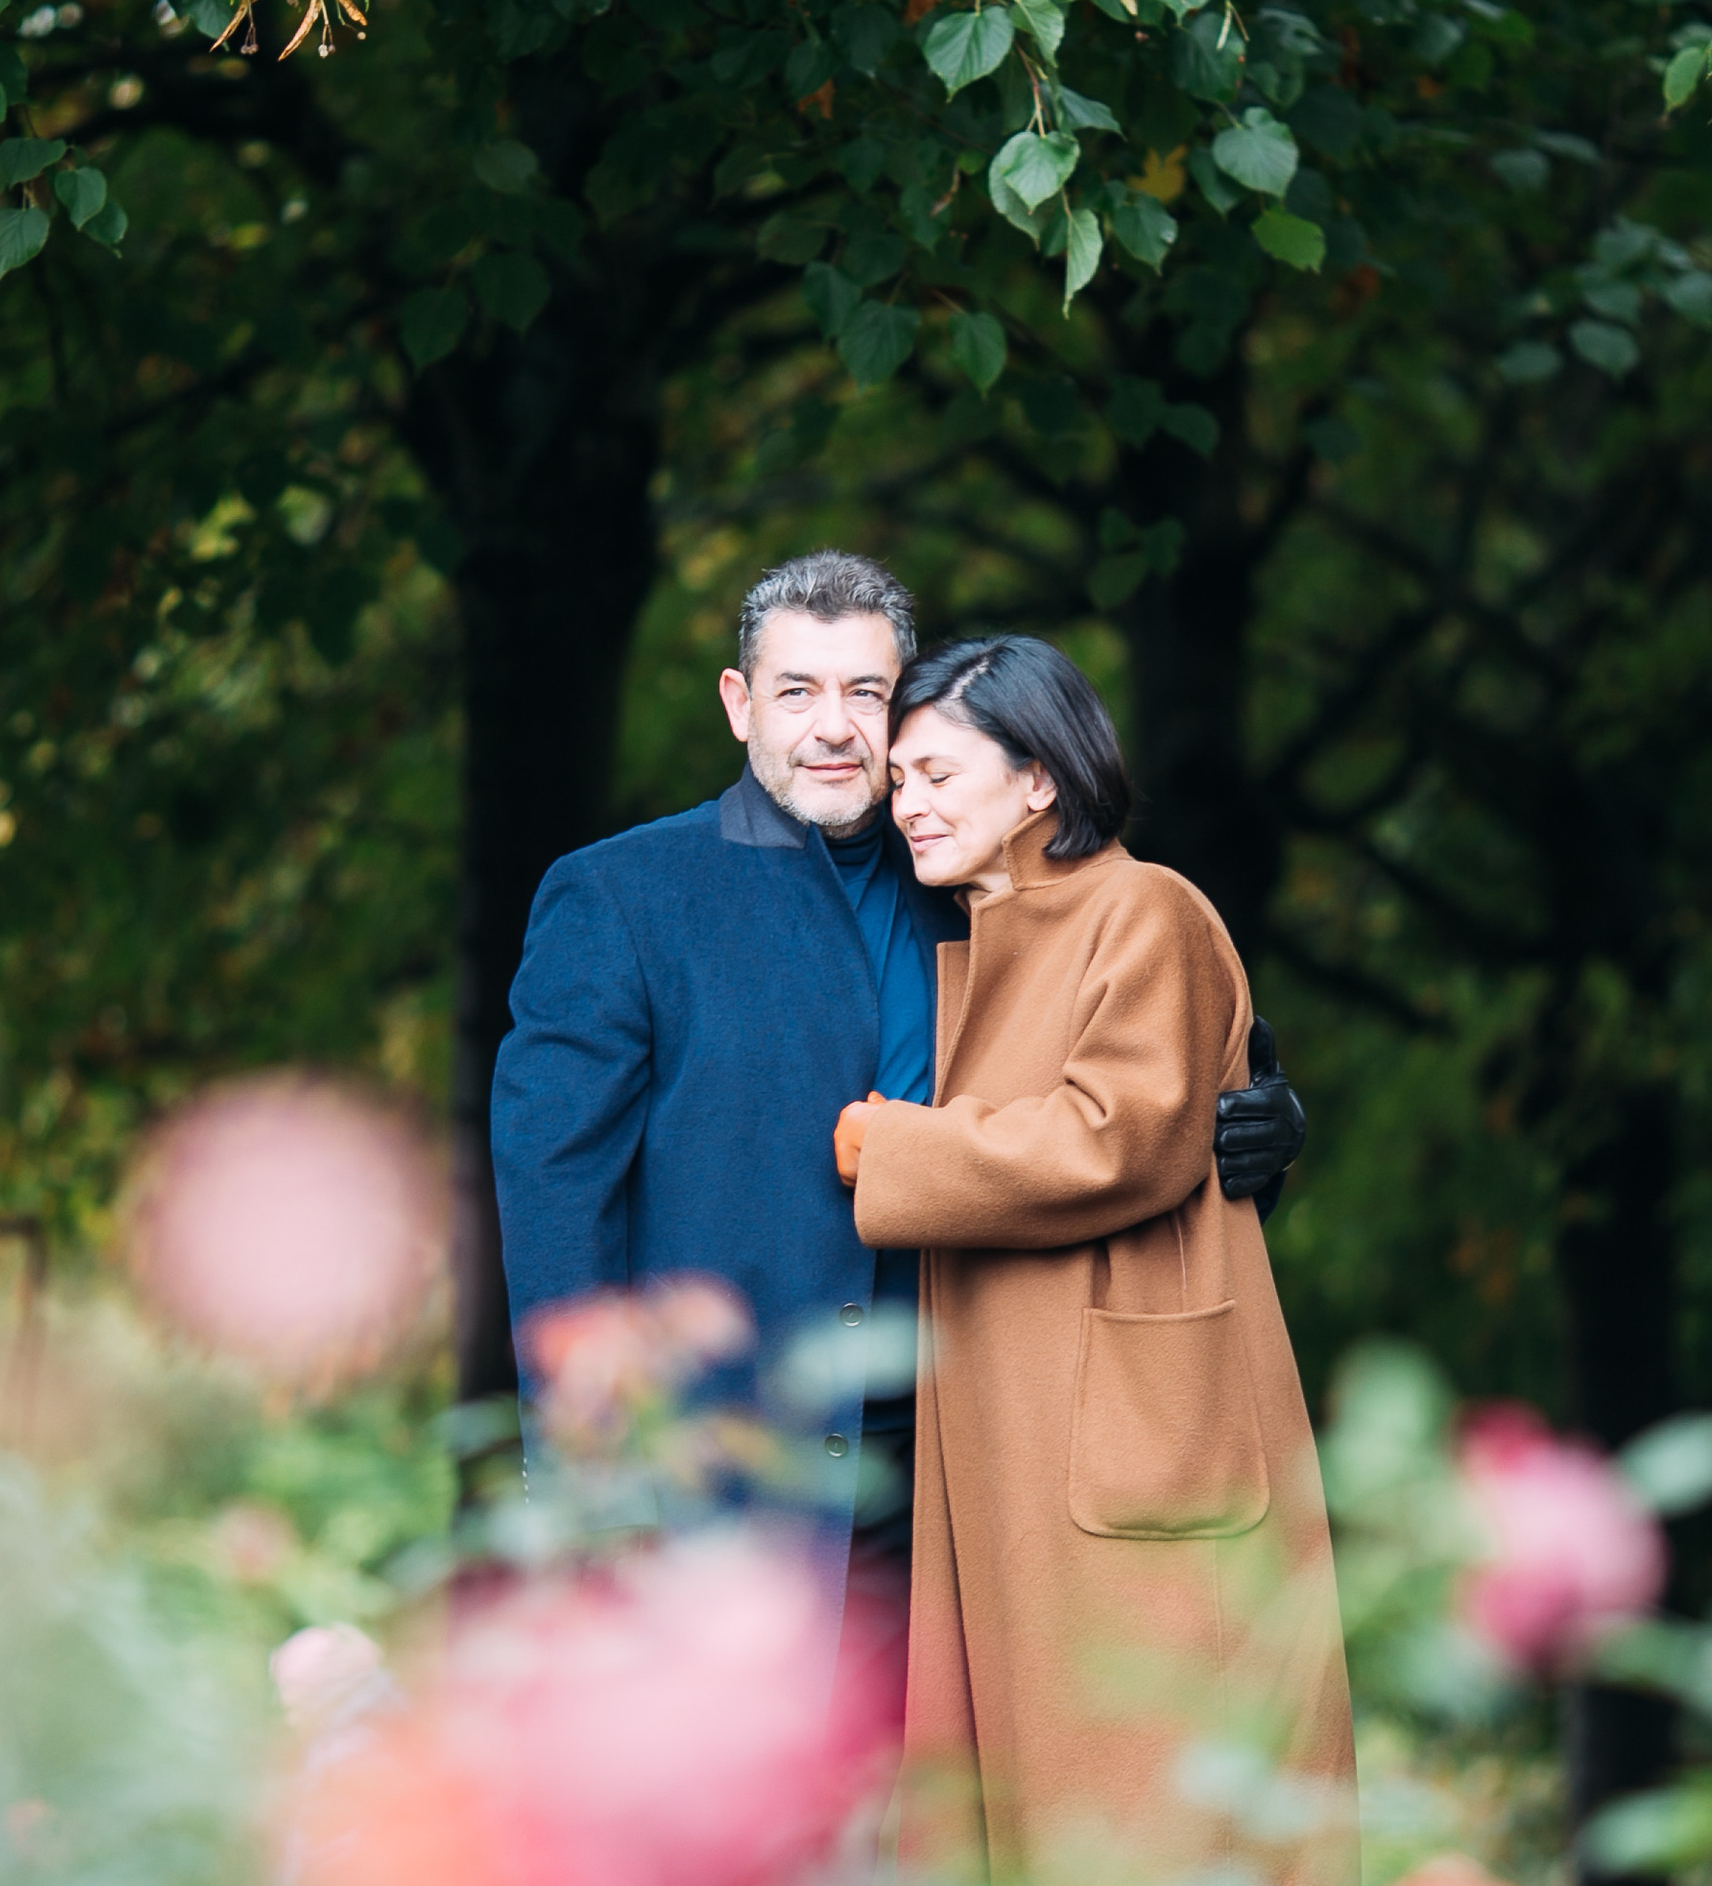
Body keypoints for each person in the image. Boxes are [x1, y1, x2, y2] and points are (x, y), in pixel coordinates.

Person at [489, 555, 1308, 1666]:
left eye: (864, 694)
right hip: (722, 1479)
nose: (833, 728)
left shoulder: (972, 880)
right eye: (796, 692)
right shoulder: (622, 897)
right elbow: (554, 1199)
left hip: (970, 1464)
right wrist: (593, 1481)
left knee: (944, 1830)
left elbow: (1117, 1105)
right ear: (739, 706)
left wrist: (1255, 1128)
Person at [833, 634, 1360, 1886]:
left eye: (937, 769)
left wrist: (879, 1147)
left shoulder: (1146, 911)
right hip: (1032, 1460)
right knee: (1114, 1851)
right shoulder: (973, 939)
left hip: (1142, 1456)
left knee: (1144, 1845)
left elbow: (1114, 1137)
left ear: (1039, 779)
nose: (906, 795)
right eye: (899, 774)